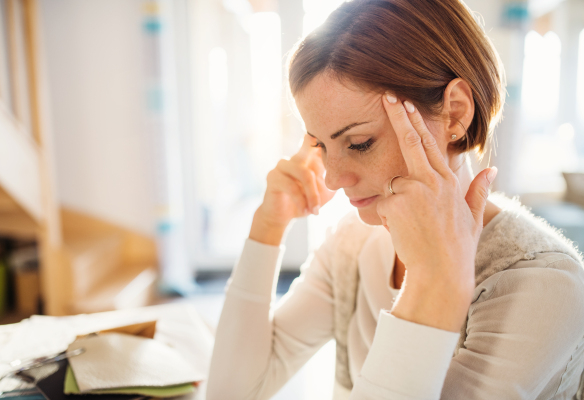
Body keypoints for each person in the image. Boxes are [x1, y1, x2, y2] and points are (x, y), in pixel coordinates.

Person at [206, 0, 584, 399]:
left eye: (359, 143)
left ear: (454, 114)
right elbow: (232, 392)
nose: (333, 178)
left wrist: (433, 282)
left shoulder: (542, 285)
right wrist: (267, 227)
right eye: (320, 144)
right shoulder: (352, 243)